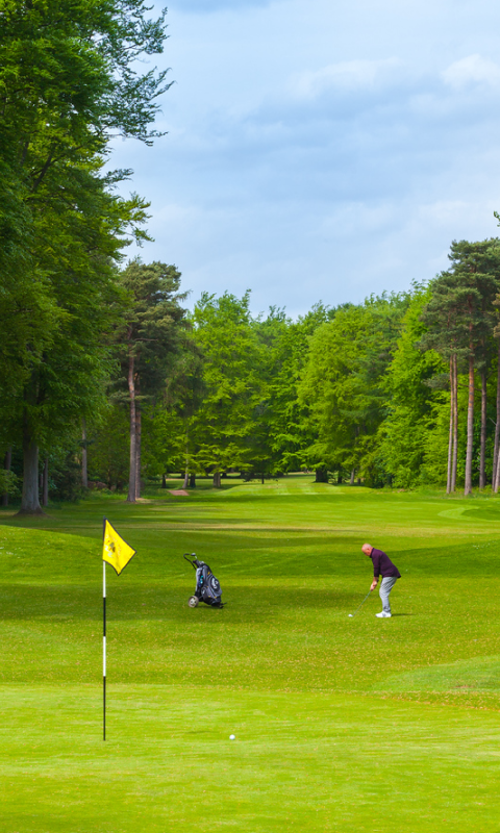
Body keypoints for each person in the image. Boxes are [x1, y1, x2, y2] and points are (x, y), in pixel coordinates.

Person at [361, 543, 401, 618]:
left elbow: (376, 568)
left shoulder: (375, 554)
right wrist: (375, 581)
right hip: (389, 574)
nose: (365, 555)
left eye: (365, 553)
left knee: (383, 592)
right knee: (383, 592)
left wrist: (374, 581)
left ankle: (386, 612)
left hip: (390, 574)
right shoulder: (376, 553)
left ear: (368, 549)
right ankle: (386, 611)